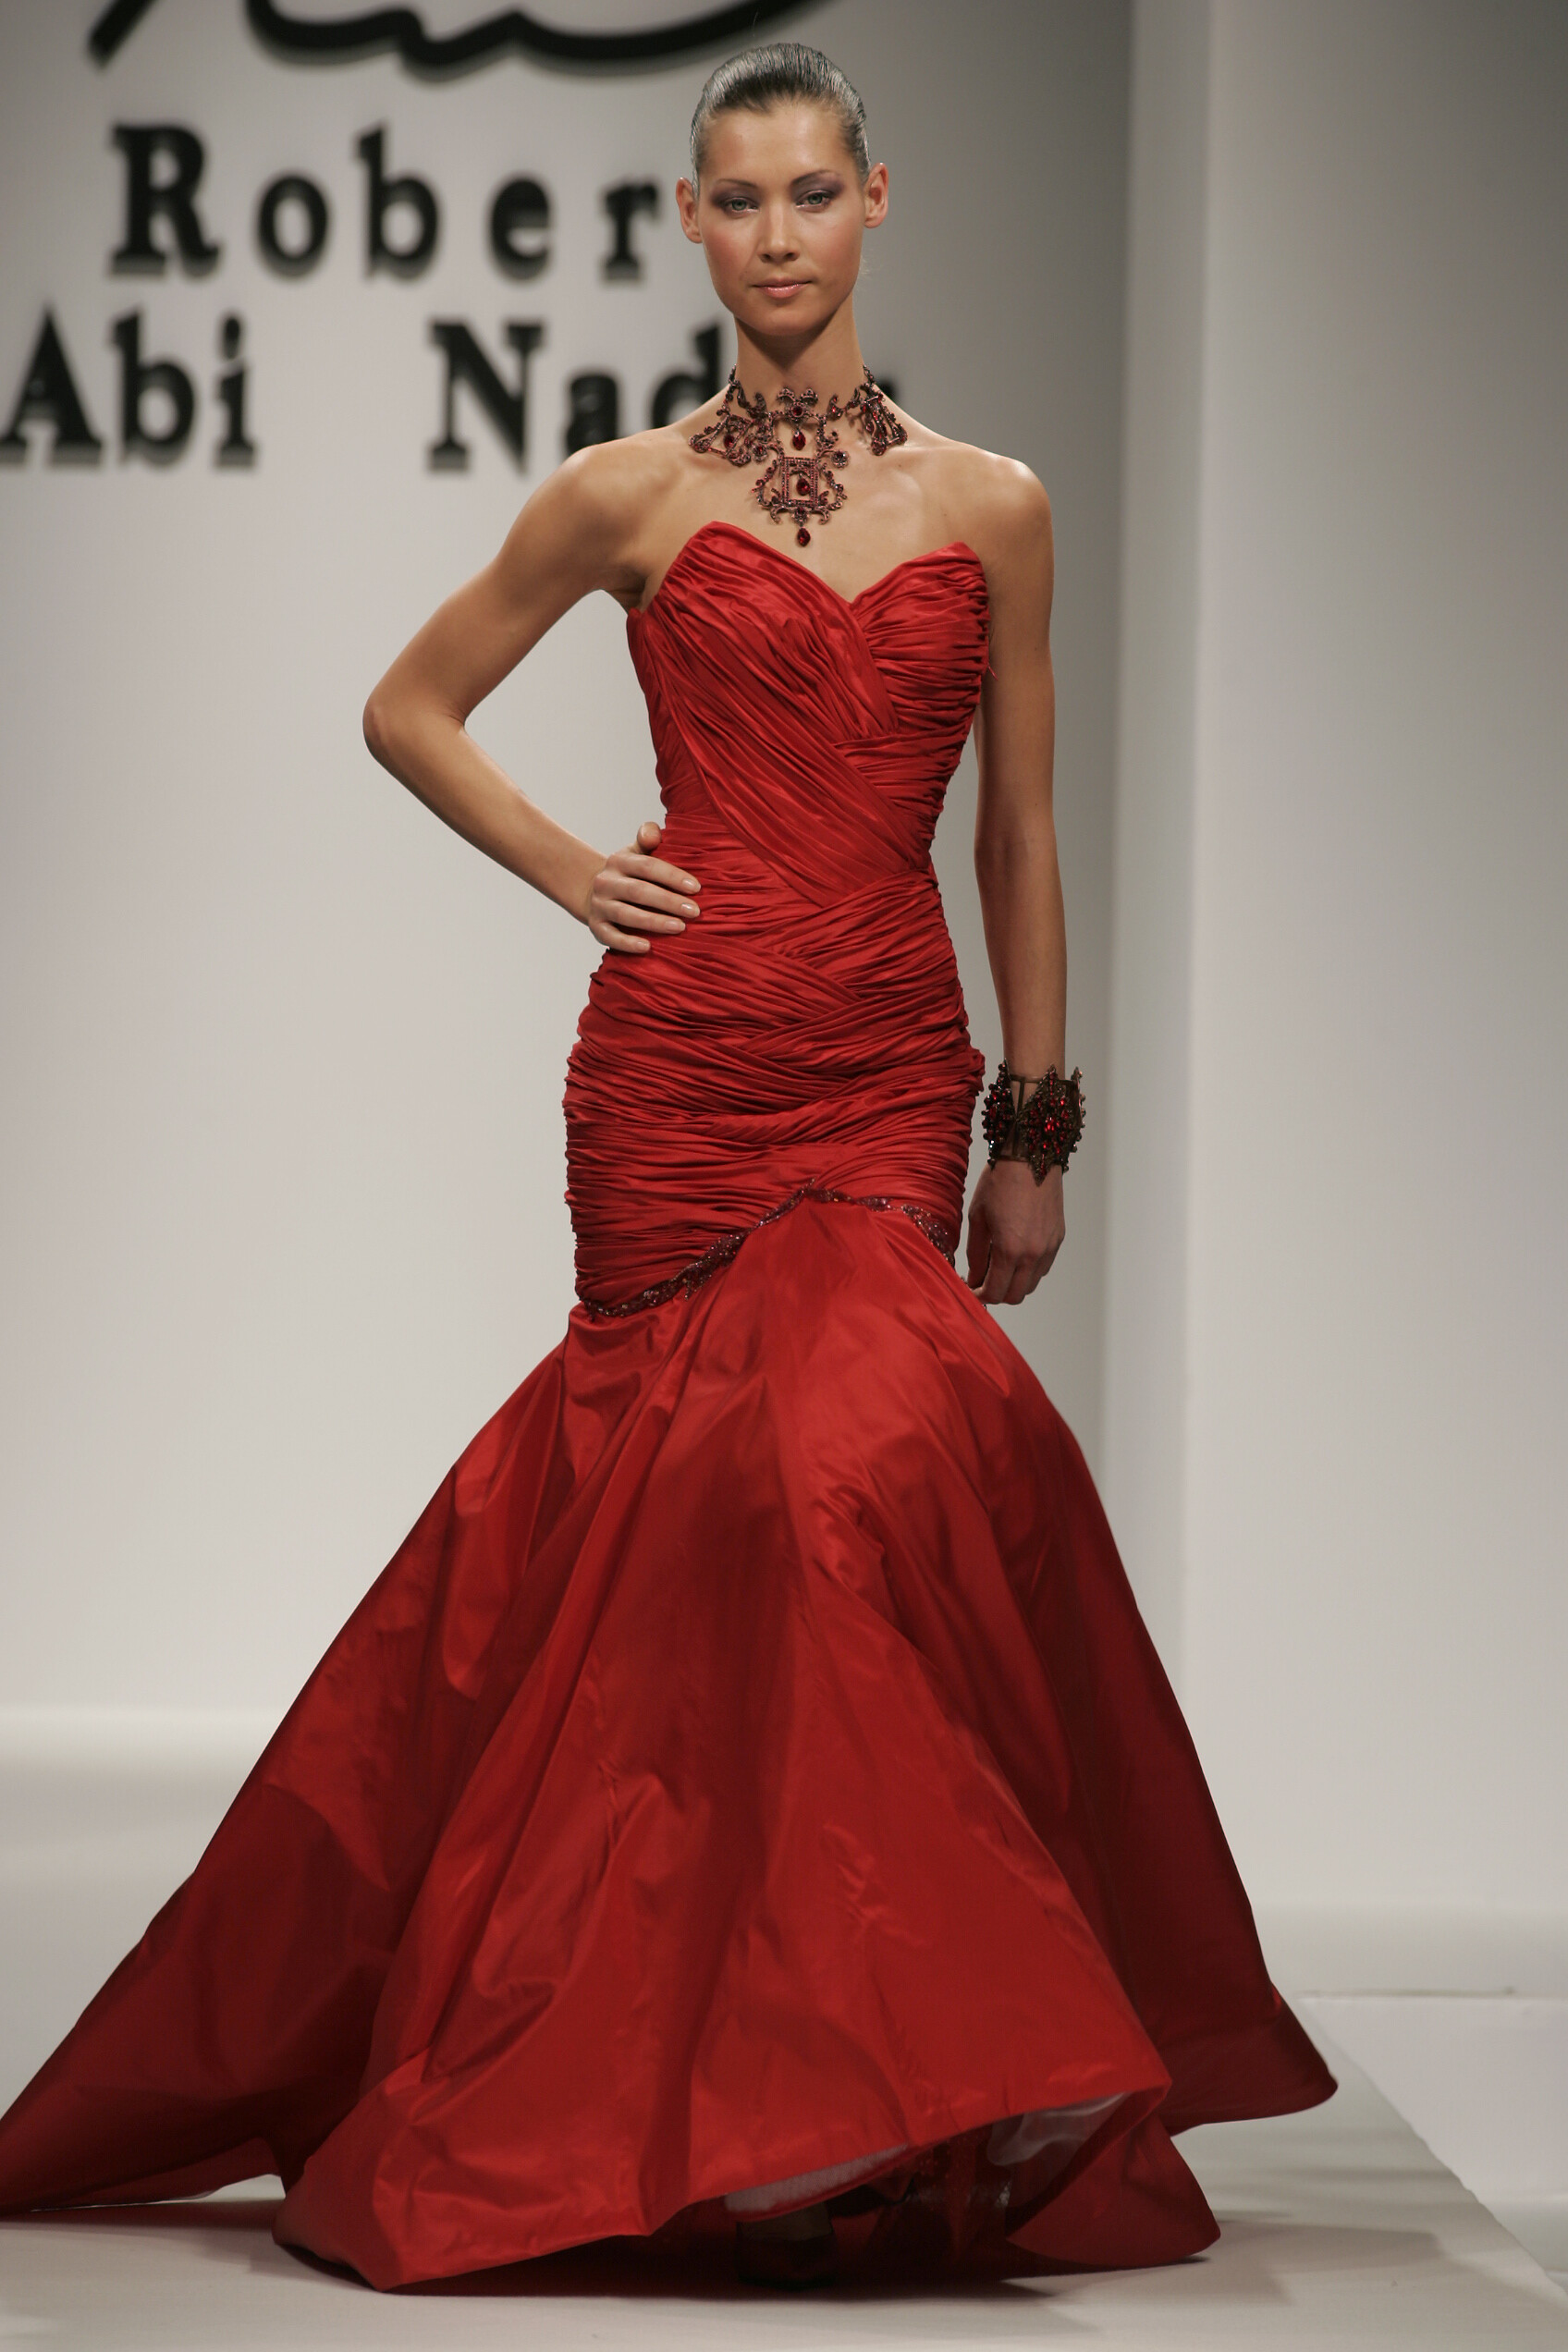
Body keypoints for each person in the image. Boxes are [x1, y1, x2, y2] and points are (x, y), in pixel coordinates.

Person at [0, 43, 1331, 2292]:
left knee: (848, 1471)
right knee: (712, 1521)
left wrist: (1034, 1125)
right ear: (690, 221)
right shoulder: (621, 496)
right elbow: (406, 705)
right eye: (739, 197)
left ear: (877, 200)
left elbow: (1017, 834)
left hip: (884, 1071)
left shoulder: (992, 506)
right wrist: (568, 870)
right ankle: (762, 2086)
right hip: (681, 1074)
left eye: (811, 191)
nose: (777, 232)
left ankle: (879, 2047)